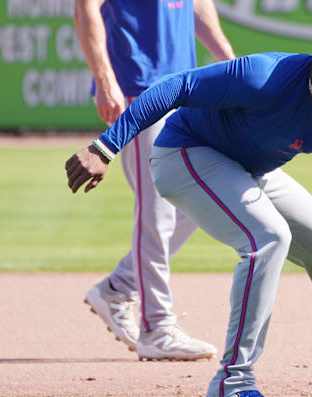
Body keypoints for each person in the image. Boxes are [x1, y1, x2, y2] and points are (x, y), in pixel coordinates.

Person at [66, 7, 312, 397]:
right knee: (268, 237)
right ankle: (233, 384)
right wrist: (106, 145)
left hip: (248, 168)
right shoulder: (264, 75)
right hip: (185, 153)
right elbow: (174, 87)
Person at [73, 0, 236, 361]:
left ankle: (119, 287)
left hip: (183, 88)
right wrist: (104, 79)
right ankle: (157, 328)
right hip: (138, 86)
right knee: (158, 209)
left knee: (202, 196)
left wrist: (229, 61)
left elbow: (196, 6)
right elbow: (85, 6)